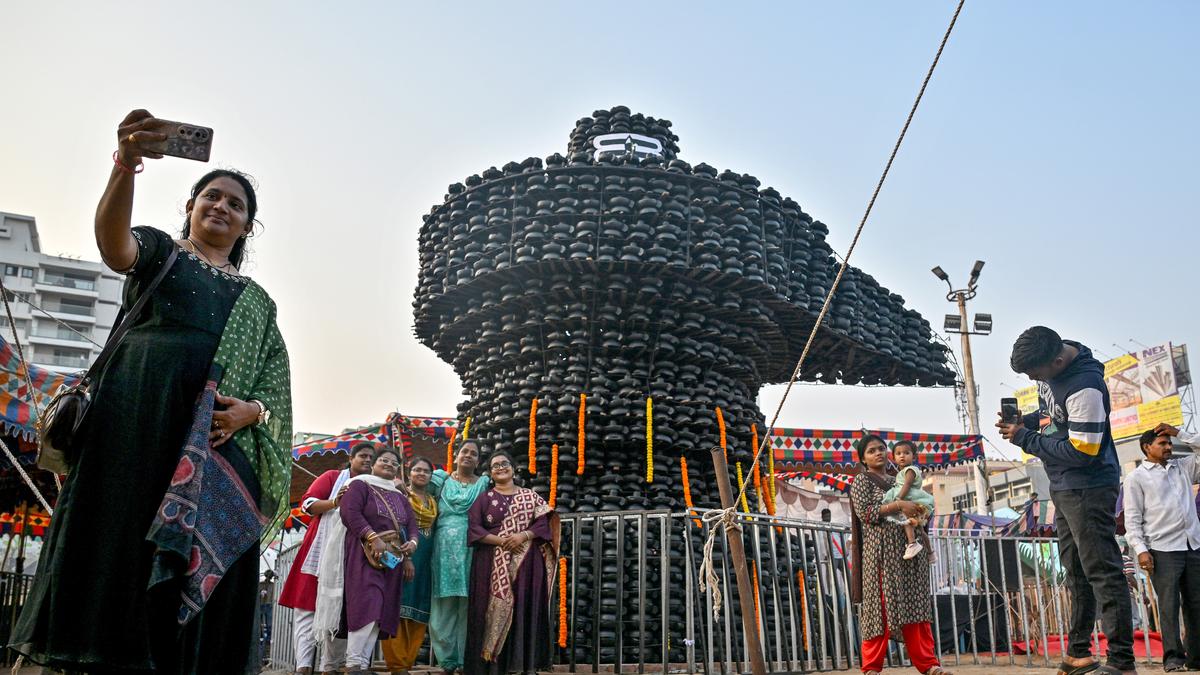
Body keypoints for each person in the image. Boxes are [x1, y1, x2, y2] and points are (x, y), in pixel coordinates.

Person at [10, 109, 292, 674]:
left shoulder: (258, 302)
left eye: (236, 205)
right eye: (211, 196)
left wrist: (251, 413)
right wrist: (126, 166)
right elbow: (114, 247)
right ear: (190, 207)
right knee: (121, 542)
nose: (222, 207)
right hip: (132, 424)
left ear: (246, 228)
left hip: (212, 449)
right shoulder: (163, 253)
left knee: (191, 558)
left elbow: (275, 386)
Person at [998, 326, 1136, 675]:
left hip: (1088, 486)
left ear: (1058, 361)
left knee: (1102, 571)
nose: (1032, 378)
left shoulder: (1085, 388)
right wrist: (1025, 421)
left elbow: (1083, 452)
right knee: (1076, 571)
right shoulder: (1055, 371)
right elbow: (1052, 415)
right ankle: (1078, 653)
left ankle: (1122, 662)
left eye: (1035, 373)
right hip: (1063, 486)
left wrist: (1025, 438)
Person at [850, 435, 951, 675]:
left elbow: (921, 507)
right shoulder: (862, 481)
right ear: (863, 459)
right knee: (880, 609)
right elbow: (866, 513)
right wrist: (898, 506)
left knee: (916, 607)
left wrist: (917, 509)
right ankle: (871, 668)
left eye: (882, 449)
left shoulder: (903, 478)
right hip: (881, 556)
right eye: (872, 451)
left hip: (910, 553)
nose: (879, 453)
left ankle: (929, 665)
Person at [314, 446, 418, 675]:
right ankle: (351, 663)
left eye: (394, 462)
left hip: (391, 560)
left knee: (381, 610)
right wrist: (372, 537)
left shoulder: (400, 496)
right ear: (374, 464)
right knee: (367, 604)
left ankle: (360, 664)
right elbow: (349, 512)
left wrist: (411, 544)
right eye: (384, 460)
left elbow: (411, 525)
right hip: (361, 555)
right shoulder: (360, 484)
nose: (389, 464)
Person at [279, 442, 375, 674]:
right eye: (363, 456)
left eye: (372, 458)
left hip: (351, 557)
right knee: (306, 607)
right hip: (319, 551)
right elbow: (307, 505)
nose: (368, 461)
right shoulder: (332, 477)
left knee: (342, 609)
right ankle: (303, 666)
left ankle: (328, 667)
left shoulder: (373, 487)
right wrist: (335, 502)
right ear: (351, 459)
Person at [463, 451, 559, 675]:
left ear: (513, 468)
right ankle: (492, 666)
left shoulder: (531, 496)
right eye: (495, 466)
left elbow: (544, 524)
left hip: (526, 562)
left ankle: (521, 664)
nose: (500, 467)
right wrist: (503, 541)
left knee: (523, 607)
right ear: (490, 473)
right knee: (488, 609)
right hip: (491, 561)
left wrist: (522, 536)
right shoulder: (484, 498)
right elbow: (475, 529)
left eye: (505, 463)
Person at [1122, 423, 1200, 672]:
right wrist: (1141, 550)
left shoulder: (1184, 467)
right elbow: (1132, 519)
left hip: (1193, 545)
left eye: (1169, 443)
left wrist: (1179, 433)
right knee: (1168, 606)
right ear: (1147, 448)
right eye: (1162, 443)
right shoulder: (1136, 478)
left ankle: (1196, 658)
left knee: (1196, 604)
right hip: (1162, 549)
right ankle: (1173, 658)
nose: (1168, 447)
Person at [429, 440, 490, 674]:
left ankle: (466, 660)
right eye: (464, 451)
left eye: (473, 454)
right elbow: (418, 494)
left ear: (478, 460)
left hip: (472, 548)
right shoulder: (440, 479)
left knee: (469, 605)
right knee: (442, 605)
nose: (468, 456)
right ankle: (447, 661)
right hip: (442, 548)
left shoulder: (484, 483)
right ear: (456, 455)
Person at [382, 456, 439, 675]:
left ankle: (407, 662)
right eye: (417, 470)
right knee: (398, 608)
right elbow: (397, 527)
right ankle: (396, 664)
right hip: (402, 557)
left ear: (431, 476)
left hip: (426, 561)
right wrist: (406, 558)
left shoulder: (434, 501)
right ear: (409, 472)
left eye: (426, 471)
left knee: (419, 610)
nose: (421, 474)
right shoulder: (398, 496)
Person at [881, 441, 934, 560]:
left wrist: (899, 498)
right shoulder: (902, 472)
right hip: (914, 499)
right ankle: (930, 553)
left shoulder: (910, 470)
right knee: (920, 529)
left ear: (914, 456)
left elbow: (907, 484)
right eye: (898, 453)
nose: (902, 456)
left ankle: (912, 543)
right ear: (893, 457)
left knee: (907, 520)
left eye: (906, 453)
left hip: (911, 498)